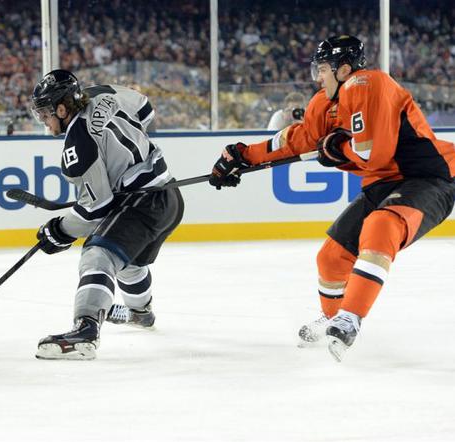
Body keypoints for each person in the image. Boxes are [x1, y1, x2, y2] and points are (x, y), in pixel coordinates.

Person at [208, 35, 455, 361]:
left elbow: (372, 153)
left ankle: (350, 318)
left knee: (381, 226)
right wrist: (241, 156)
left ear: (344, 69)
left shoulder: (368, 83)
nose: (318, 77)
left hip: (430, 178)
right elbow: (297, 142)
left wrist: (335, 148)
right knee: (331, 257)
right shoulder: (324, 104)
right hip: (382, 184)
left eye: (323, 69)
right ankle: (333, 317)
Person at [30, 69, 184, 360]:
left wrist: (59, 230)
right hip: (171, 196)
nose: (44, 121)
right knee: (126, 261)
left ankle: (85, 330)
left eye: (46, 113)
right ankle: (141, 313)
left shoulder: (77, 144)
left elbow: (96, 209)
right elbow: (144, 109)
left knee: (97, 254)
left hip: (142, 204)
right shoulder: (103, 92)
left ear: (62, 108)